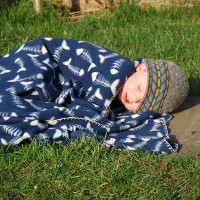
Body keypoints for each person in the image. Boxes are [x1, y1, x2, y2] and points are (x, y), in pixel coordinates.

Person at [0, 38, 189, 153]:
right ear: (141, 68)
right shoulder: (116, 68)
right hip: (42, 58)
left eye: (142, 103)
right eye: (139, 87)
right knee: (29, 87)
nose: (133, 97)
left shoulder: (126, 94)